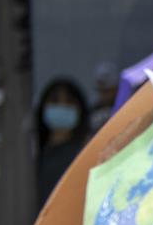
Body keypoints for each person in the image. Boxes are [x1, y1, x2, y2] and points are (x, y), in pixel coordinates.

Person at [34, 77, 93, 205]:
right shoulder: (33, 155)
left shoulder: (84, 154)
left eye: (69, 102)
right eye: (55, 101)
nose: (62, 106)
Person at [89, 62, 121, 130]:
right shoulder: (93, 111)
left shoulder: (123, 108)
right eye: (100, 90)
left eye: (107, 91)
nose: (103, 95)